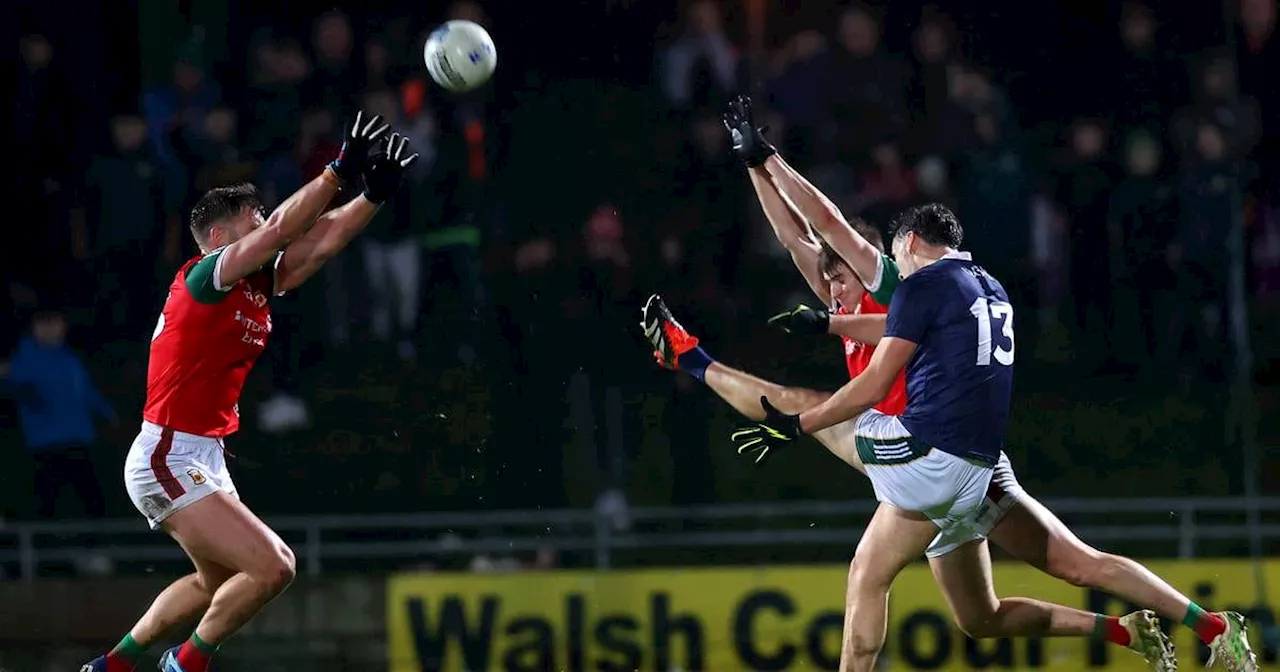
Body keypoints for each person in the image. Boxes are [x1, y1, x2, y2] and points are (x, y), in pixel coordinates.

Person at [640, 96, 1257, 672]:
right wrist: (752, 164)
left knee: (832, 482)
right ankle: (1129, 631)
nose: (832, 285)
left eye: (842, 277)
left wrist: (772, 156)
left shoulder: (896, 285)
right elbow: (793, 236)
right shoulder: (863, 303)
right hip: (965, 464)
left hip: (922, 453)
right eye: (826, 281)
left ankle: (691, 358)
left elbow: (827, 225)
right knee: (983, 618)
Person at [81, 114, 420, 672]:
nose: (264, 221)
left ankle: (110, 667)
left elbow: (321, 240)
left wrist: (372, 195)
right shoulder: (204, 275)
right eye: (253, 217)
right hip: (168, 452)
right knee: (276, 566)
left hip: (200, 454)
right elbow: (283, 231)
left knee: (212, 581)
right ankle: (184, 664)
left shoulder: (257, 281)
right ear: (220, 237)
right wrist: (337, 171)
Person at [3, 309, 114, 518]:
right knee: (48, 501)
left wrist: (107, 414)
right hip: (45, 444)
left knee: (92, 498)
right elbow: (12, 379)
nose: (50, 329)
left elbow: (87, 392)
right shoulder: (24, 358)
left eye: (54, 322)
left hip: (80, 438)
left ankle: (97, 543)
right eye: (43, 323)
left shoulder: (70, 358)